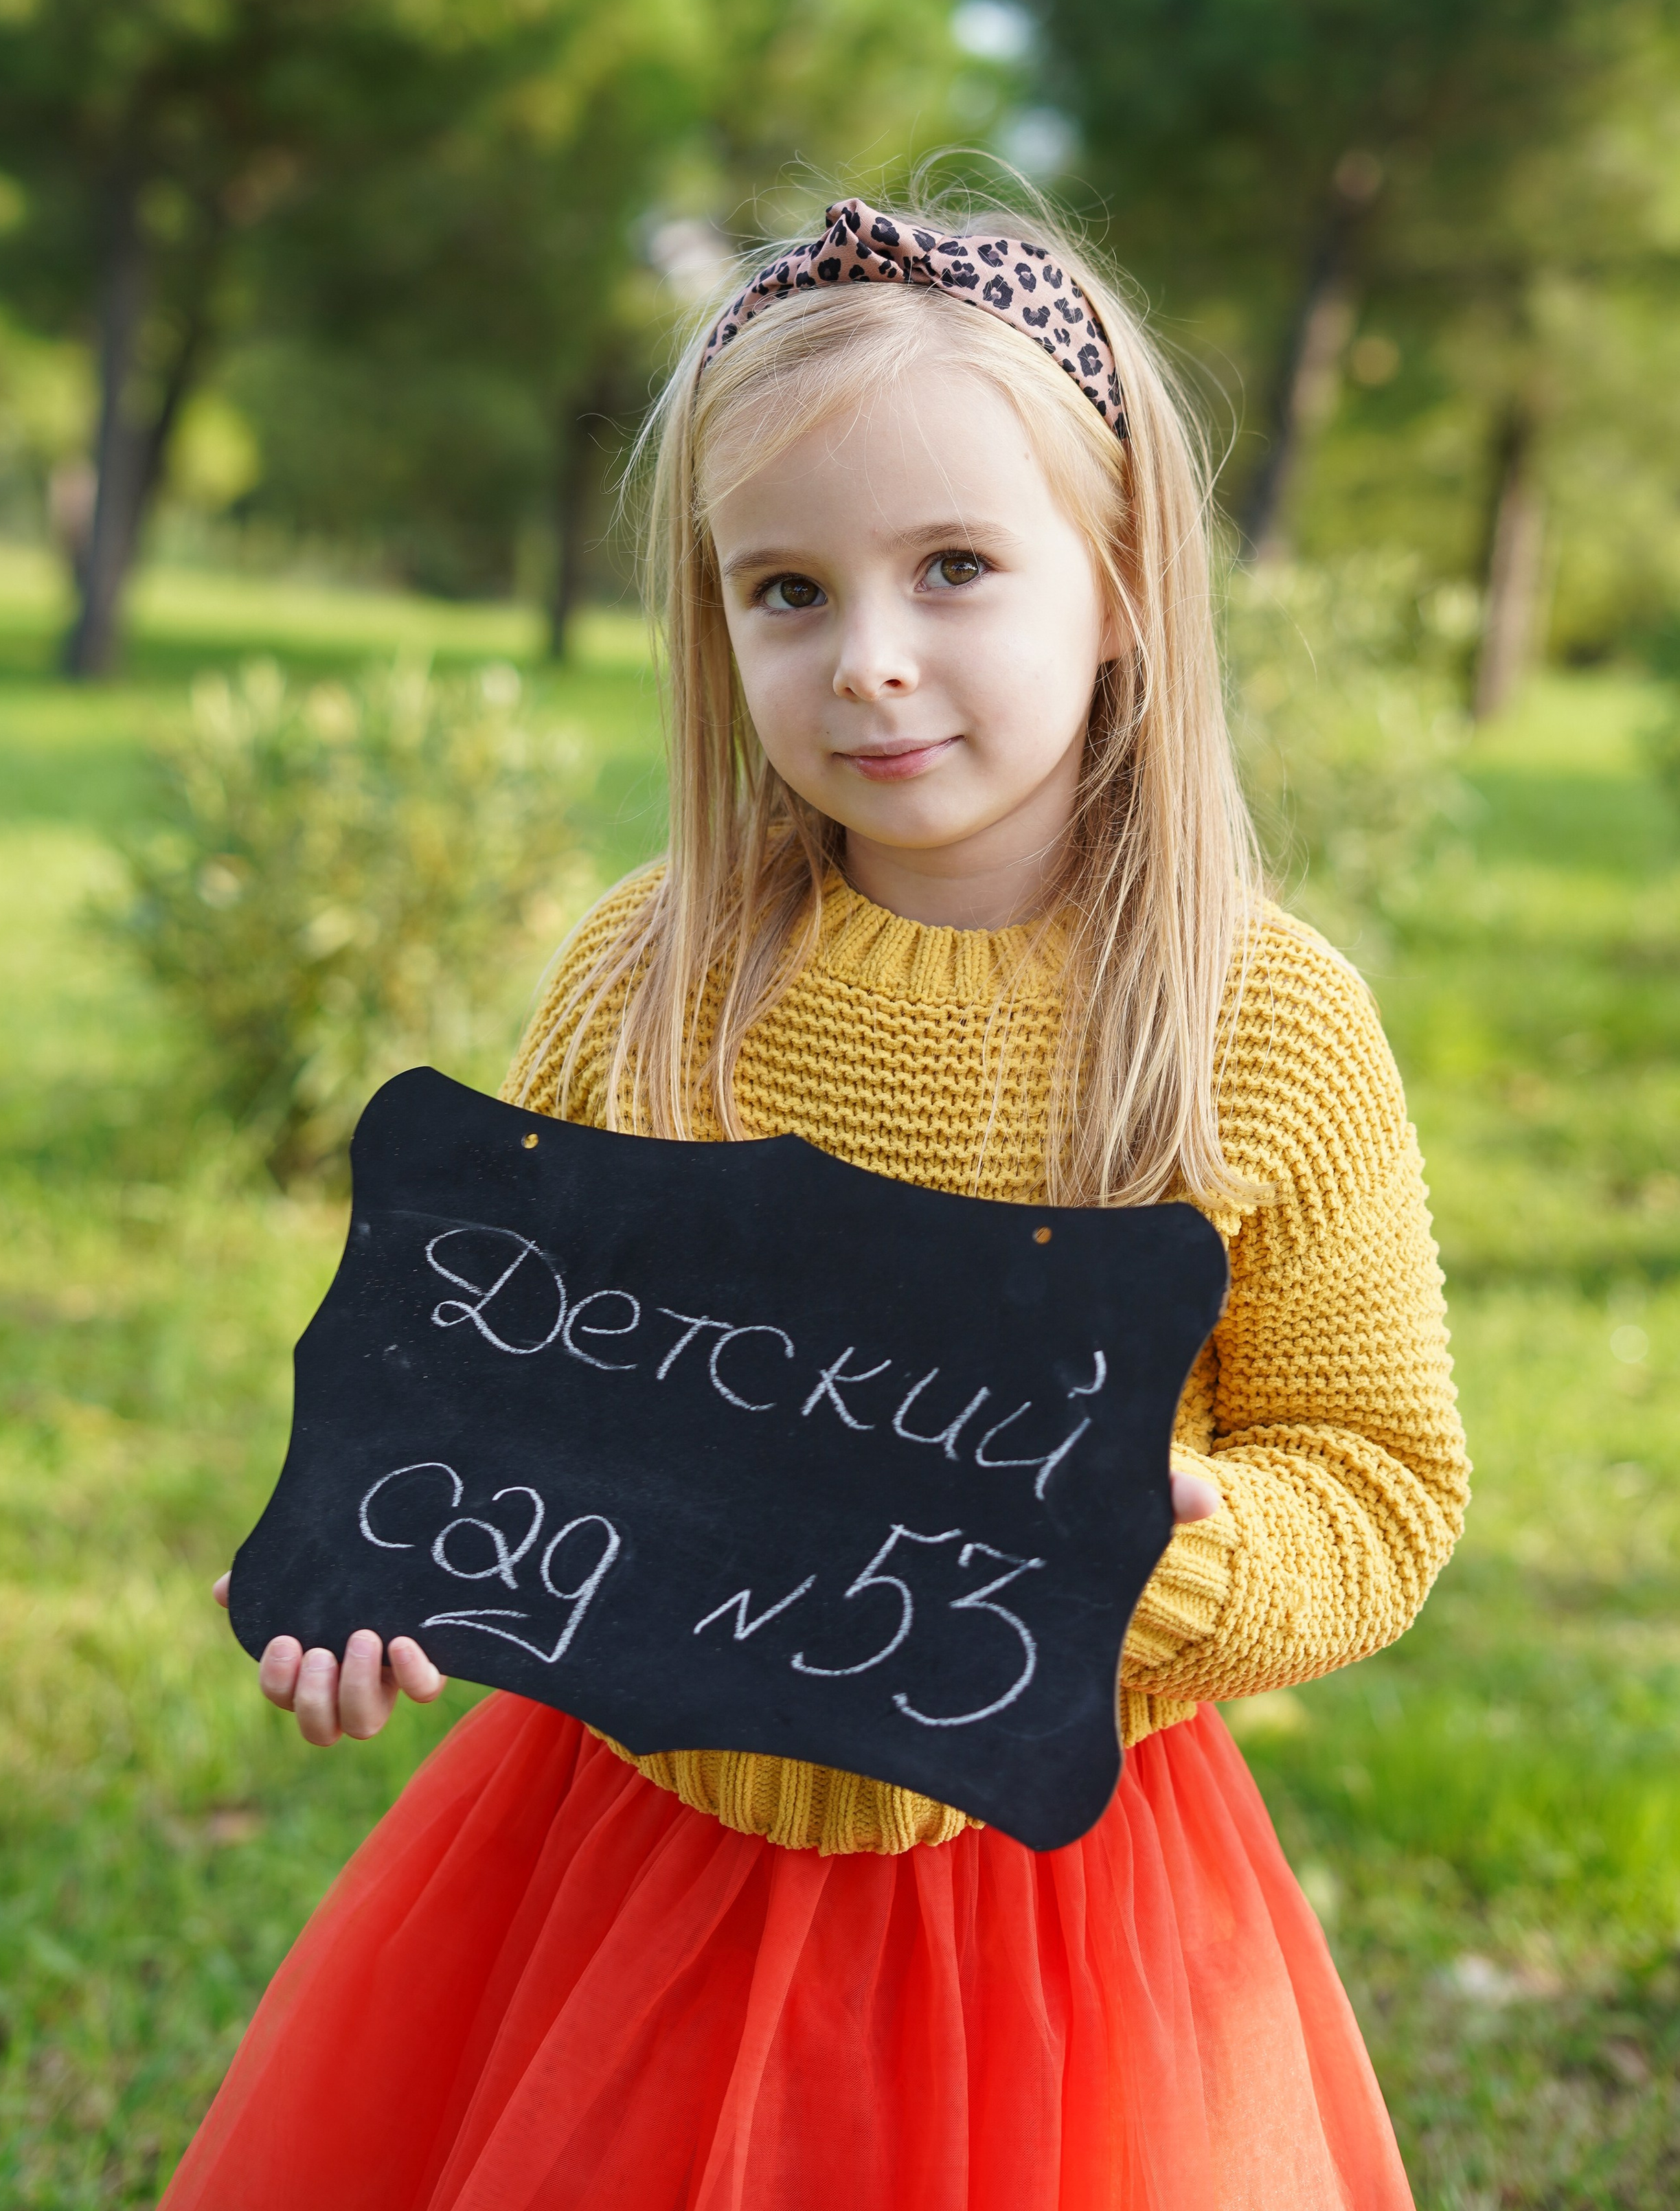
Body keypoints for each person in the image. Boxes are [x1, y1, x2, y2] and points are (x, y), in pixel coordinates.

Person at [171, 194, 1468, 2210]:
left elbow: (1381, 1478)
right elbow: (500, 1368)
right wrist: (386, 1567)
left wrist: (1176, 1557)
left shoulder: (1256, 1027)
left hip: (1047, 1895)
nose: (870, 661)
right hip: (626, 1858)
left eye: (955, 567)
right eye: (786, 589)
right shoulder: (649, 971)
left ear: (1122, 581)